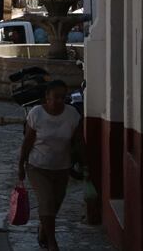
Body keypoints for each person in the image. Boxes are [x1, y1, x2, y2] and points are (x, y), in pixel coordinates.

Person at [18, 80, 83, 251]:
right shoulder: (36, 114)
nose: (60, 100)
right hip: (37, 166)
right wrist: (20, 165)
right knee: (46, 201)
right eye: (56, 97)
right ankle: (52, 242)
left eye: (63, 97)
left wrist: (82, 161)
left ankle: (43, 230)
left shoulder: (72, 115)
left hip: (62, 168)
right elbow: (27, 142)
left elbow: (77, 141)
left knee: (55, 205)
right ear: (47, 97)